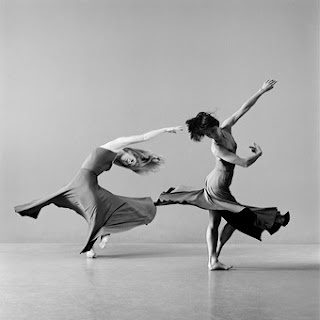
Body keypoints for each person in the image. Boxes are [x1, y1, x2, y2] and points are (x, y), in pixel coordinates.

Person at [156, 80, 290, 270]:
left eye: (212, 130)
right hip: (216, 188)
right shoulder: (217, 148)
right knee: (233, 219)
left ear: (216, 125)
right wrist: (258, 154)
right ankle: (214, 257)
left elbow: (243, 109)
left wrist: (261, 91)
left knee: (224, 221)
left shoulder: (226, 127)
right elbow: (243, 163)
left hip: (219, 185)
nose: (212, 135)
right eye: (208, 134)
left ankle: (214, 259)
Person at [15, 126, 183, 258]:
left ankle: (100, 237)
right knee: (95, 210)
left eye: (131, 164)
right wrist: (166, 130)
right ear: (131, 151)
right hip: (83, 181)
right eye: (131, 159)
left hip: (88, 183)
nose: (130, 162)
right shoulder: (117, 144)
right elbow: (144, 137)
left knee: (109, 204)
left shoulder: (115, 159)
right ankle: (99, 237)